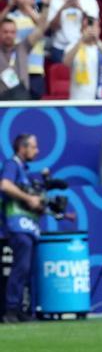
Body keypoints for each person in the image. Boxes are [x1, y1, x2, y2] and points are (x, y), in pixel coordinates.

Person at [1, 134, 42, 323]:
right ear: (22, 148)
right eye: (33, 147)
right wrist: (29, 199)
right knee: (21, 268)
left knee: (26, 270)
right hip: (16, 228)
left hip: (27, 227)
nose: (37, 150)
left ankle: (21, 310)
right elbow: (5, 185)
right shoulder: (12, 165)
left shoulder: (24, 171)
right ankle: (11, 310)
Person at [63, 16, 102, 100]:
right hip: (77, 100)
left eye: (94, 26)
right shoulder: (72, 47)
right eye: (86, 26)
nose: (91, 29)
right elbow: (66, 63)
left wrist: (98, 43)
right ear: (81, 30)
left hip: (101, 99)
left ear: (99, 29)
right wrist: (81, 41)